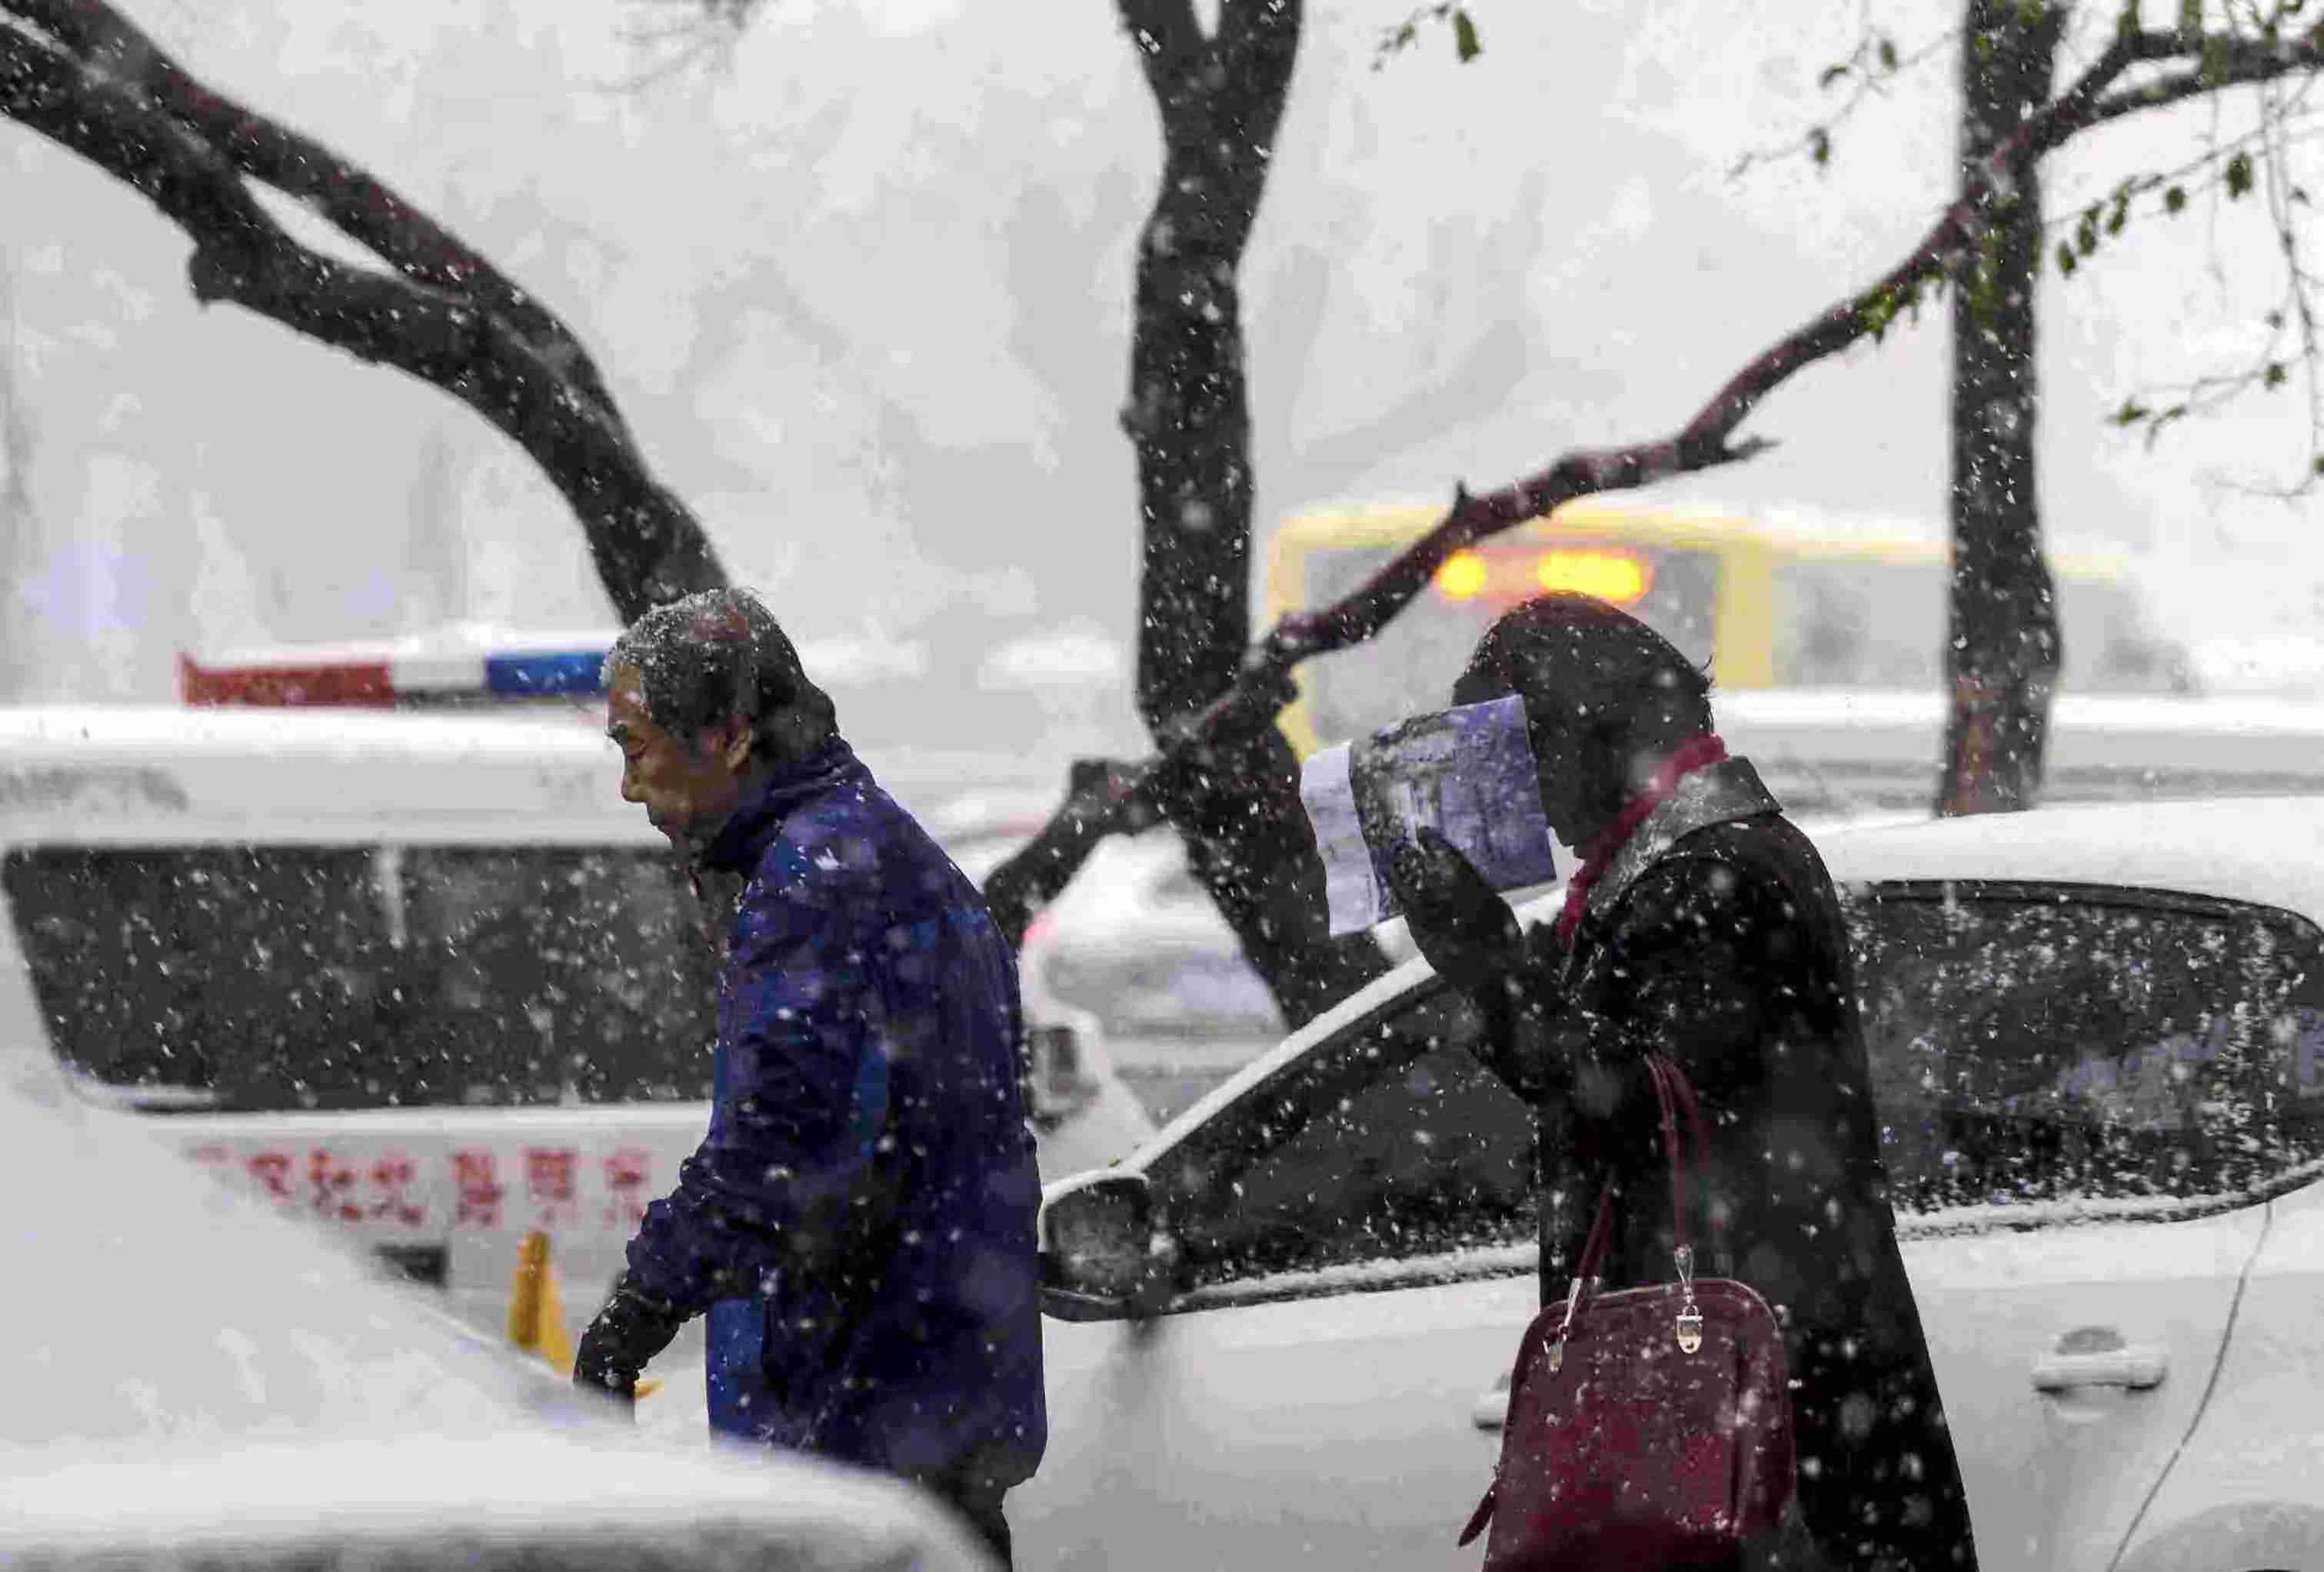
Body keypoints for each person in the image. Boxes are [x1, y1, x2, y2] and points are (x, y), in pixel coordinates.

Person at [1385, 592, 1977, 1571]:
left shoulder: (1719, 875)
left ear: (1595, 737)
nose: (1523, 796)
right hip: (1755, 1396)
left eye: (1526, 759)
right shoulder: (1676, 868)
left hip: (1763, 1422)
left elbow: (1643, 1111)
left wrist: (1487, 965)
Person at [574, 588, 1045, 1565]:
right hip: (937, 1391)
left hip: (854, 1410)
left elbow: (770, 1145)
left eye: (635, 745)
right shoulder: (886, 850)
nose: (628, 787)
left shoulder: (813, 880)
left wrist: (635, 1313)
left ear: (731, 736)